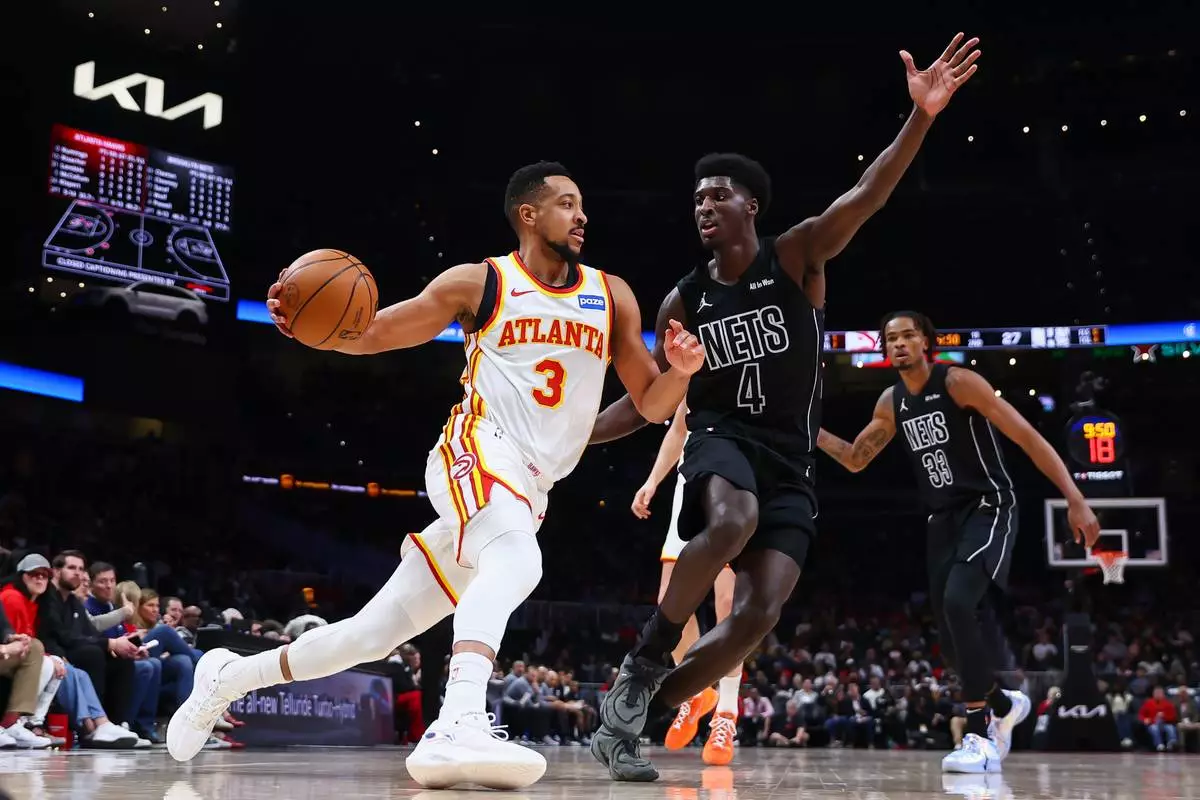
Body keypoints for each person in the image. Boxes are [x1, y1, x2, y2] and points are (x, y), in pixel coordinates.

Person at [166, 161, 705, 791]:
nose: (581, 214)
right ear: (528, 214)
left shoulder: (611, 295)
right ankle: (457, 722)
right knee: (518, 561)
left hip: (531, 486)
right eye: (566, 203)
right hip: (476, 449)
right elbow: (375, 332)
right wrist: (313, 330)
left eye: (581, 204)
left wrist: (680, 371)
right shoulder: (481, 282)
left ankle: (228, 677)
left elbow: (651, 404)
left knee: (369, 636)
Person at [587, 32, 983, 781]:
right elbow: (647, 403)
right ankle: (645, 661)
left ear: (751, 205)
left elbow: (868, 193)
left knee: (757, 616)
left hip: (791, 461)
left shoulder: (797, 255)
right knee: (730, 522)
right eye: (697, 199)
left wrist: (922, 116)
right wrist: (573, 436)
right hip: (721, 438)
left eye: (718, 196)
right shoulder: (684, 300)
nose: (704, 206)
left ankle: (634, 714)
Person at [816, 310, 1101, 772]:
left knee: (958, 602)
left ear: (926, 342)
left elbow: (1027, 436)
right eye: (892, 338)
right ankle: (1005, 706)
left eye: (908, 335)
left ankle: (979, 735)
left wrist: (1075, 498)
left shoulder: (957, 383)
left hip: (989, 506)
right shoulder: (891, 402)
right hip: (942, 520)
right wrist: (809, 431)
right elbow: (854, 459)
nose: (900, 343)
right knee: (950, 642)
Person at [629, 401, 740, 764]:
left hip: (735, 486)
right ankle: (697, 692)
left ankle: (726, 713)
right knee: (669, 602)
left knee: (728, 604)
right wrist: (652, 481)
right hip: (689, 483)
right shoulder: (694, 375)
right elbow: (679, 429)